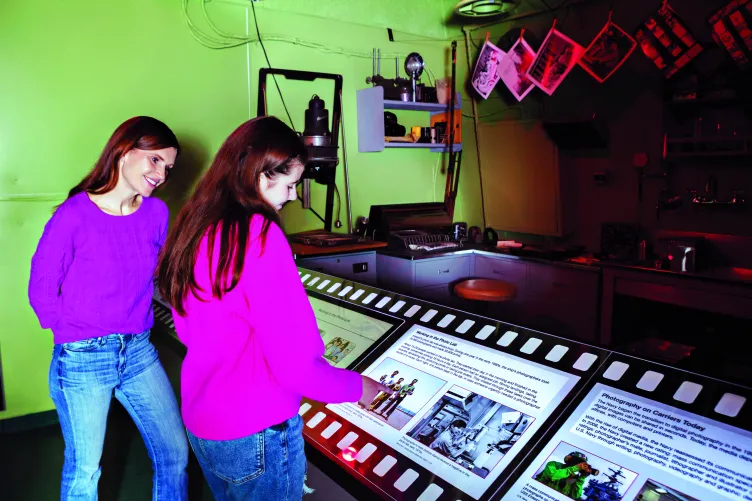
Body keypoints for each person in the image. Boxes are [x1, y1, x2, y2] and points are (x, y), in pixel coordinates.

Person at [156, 116, 387, 501]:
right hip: (256, 432)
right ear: (260, 175)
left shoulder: (195, 225)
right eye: (291, 183)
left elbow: (192, 328)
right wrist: (357, 387)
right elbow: (295, 365)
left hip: (203, 424)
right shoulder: (259, 235)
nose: (294, 196)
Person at [28, 116, 189, 500]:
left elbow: (160, 281)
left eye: (168, 167)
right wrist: (72, 335)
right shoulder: (74, 214)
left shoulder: (157, 214)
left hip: (137, 352)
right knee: (85, 470)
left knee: (175, 454)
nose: (161, 174)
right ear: (123, 152)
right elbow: (41, 287)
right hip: (83, 357)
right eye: (154, 161)